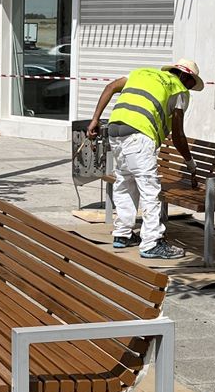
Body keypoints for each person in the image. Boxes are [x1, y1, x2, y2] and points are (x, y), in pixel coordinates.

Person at [84, 59, 205, 260]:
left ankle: (122, 235)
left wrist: (95, 120)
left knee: (125, 183)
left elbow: (110, 87)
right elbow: (178, 135)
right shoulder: (179, 90)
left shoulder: (141, 73)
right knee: (150, 190)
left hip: (115, 132)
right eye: (192, 83)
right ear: (186, 76)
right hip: (139, 136)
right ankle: (152, 243)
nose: (190, 88)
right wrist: (191, 164)